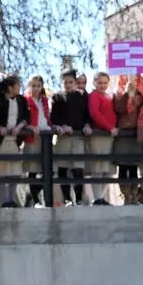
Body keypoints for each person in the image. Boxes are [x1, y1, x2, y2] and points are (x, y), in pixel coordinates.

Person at [50, 69, 91, 206]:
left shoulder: (82, 97)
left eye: (71, 82)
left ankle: (78, 199)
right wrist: (60, 126)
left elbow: (86, 114)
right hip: (63, 138)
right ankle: (67, 198)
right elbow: (53, 118)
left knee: (78, 168)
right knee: (63, 168)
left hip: (78, 136)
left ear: (75, 82)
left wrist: (87, 125)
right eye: (65, 82)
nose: (68, 85)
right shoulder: (57, 97)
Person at [0, 74, 30, 208]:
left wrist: (20, 126)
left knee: (15, 171)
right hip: (2, 140)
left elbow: (26, 116)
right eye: (17, 85)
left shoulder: (22, 100)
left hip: (15, 140)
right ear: (10, 87)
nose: (19, 87)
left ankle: (12, 200)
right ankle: (4, 200)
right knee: (2, 171)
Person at [113, 76, 143, 206]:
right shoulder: (119, 94)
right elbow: (119, 108)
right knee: (122, 167)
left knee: (133, 167)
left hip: (135, 135)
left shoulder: (141, 93)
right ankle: (125, 195)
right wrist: (127, 94)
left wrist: (135, 96)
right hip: (123, 136)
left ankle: (134, 195)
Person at [86, 72, 118, 206]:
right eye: (100, 83)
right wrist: (109, 127)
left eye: (105, 83)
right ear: (94, 83)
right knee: (98, 168)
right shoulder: (94, 95)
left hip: (109, 137)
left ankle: (101, 197)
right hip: (99, 135)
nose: (102, 85)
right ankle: (96, 198)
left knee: (108, 169)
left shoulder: (108, 96)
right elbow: (94, 113)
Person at [23, 75, 52, 207]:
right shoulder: (25, 100)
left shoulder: (44, 101)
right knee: (32, 169)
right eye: (33, 86)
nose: (36, 88)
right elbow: (22, 118)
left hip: (45, 136)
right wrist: (29, 127)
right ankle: (35, 200)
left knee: (49, 168)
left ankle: (32, 193)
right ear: (29, 86)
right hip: (32, 137)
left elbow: (46, 117)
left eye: (38, 86)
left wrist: (52, 126)